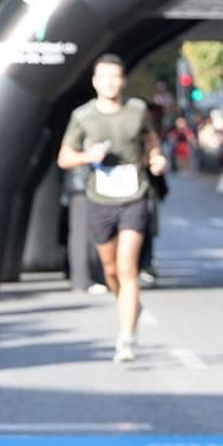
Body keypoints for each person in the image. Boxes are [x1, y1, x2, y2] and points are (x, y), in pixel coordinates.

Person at [57, 54, 168, 364]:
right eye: (103, 77)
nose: (109, 83)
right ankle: (128, 303)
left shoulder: (137, 110)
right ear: (94, 81)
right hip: (100, 198)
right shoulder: (82, 116)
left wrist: (157, 158)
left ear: (122, 81)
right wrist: (87, 156)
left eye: (114, 77)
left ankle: (126, 339)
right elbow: (64, 158)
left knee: (127, 267)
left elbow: (151, 142)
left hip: (134, 195)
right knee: (110, 271)